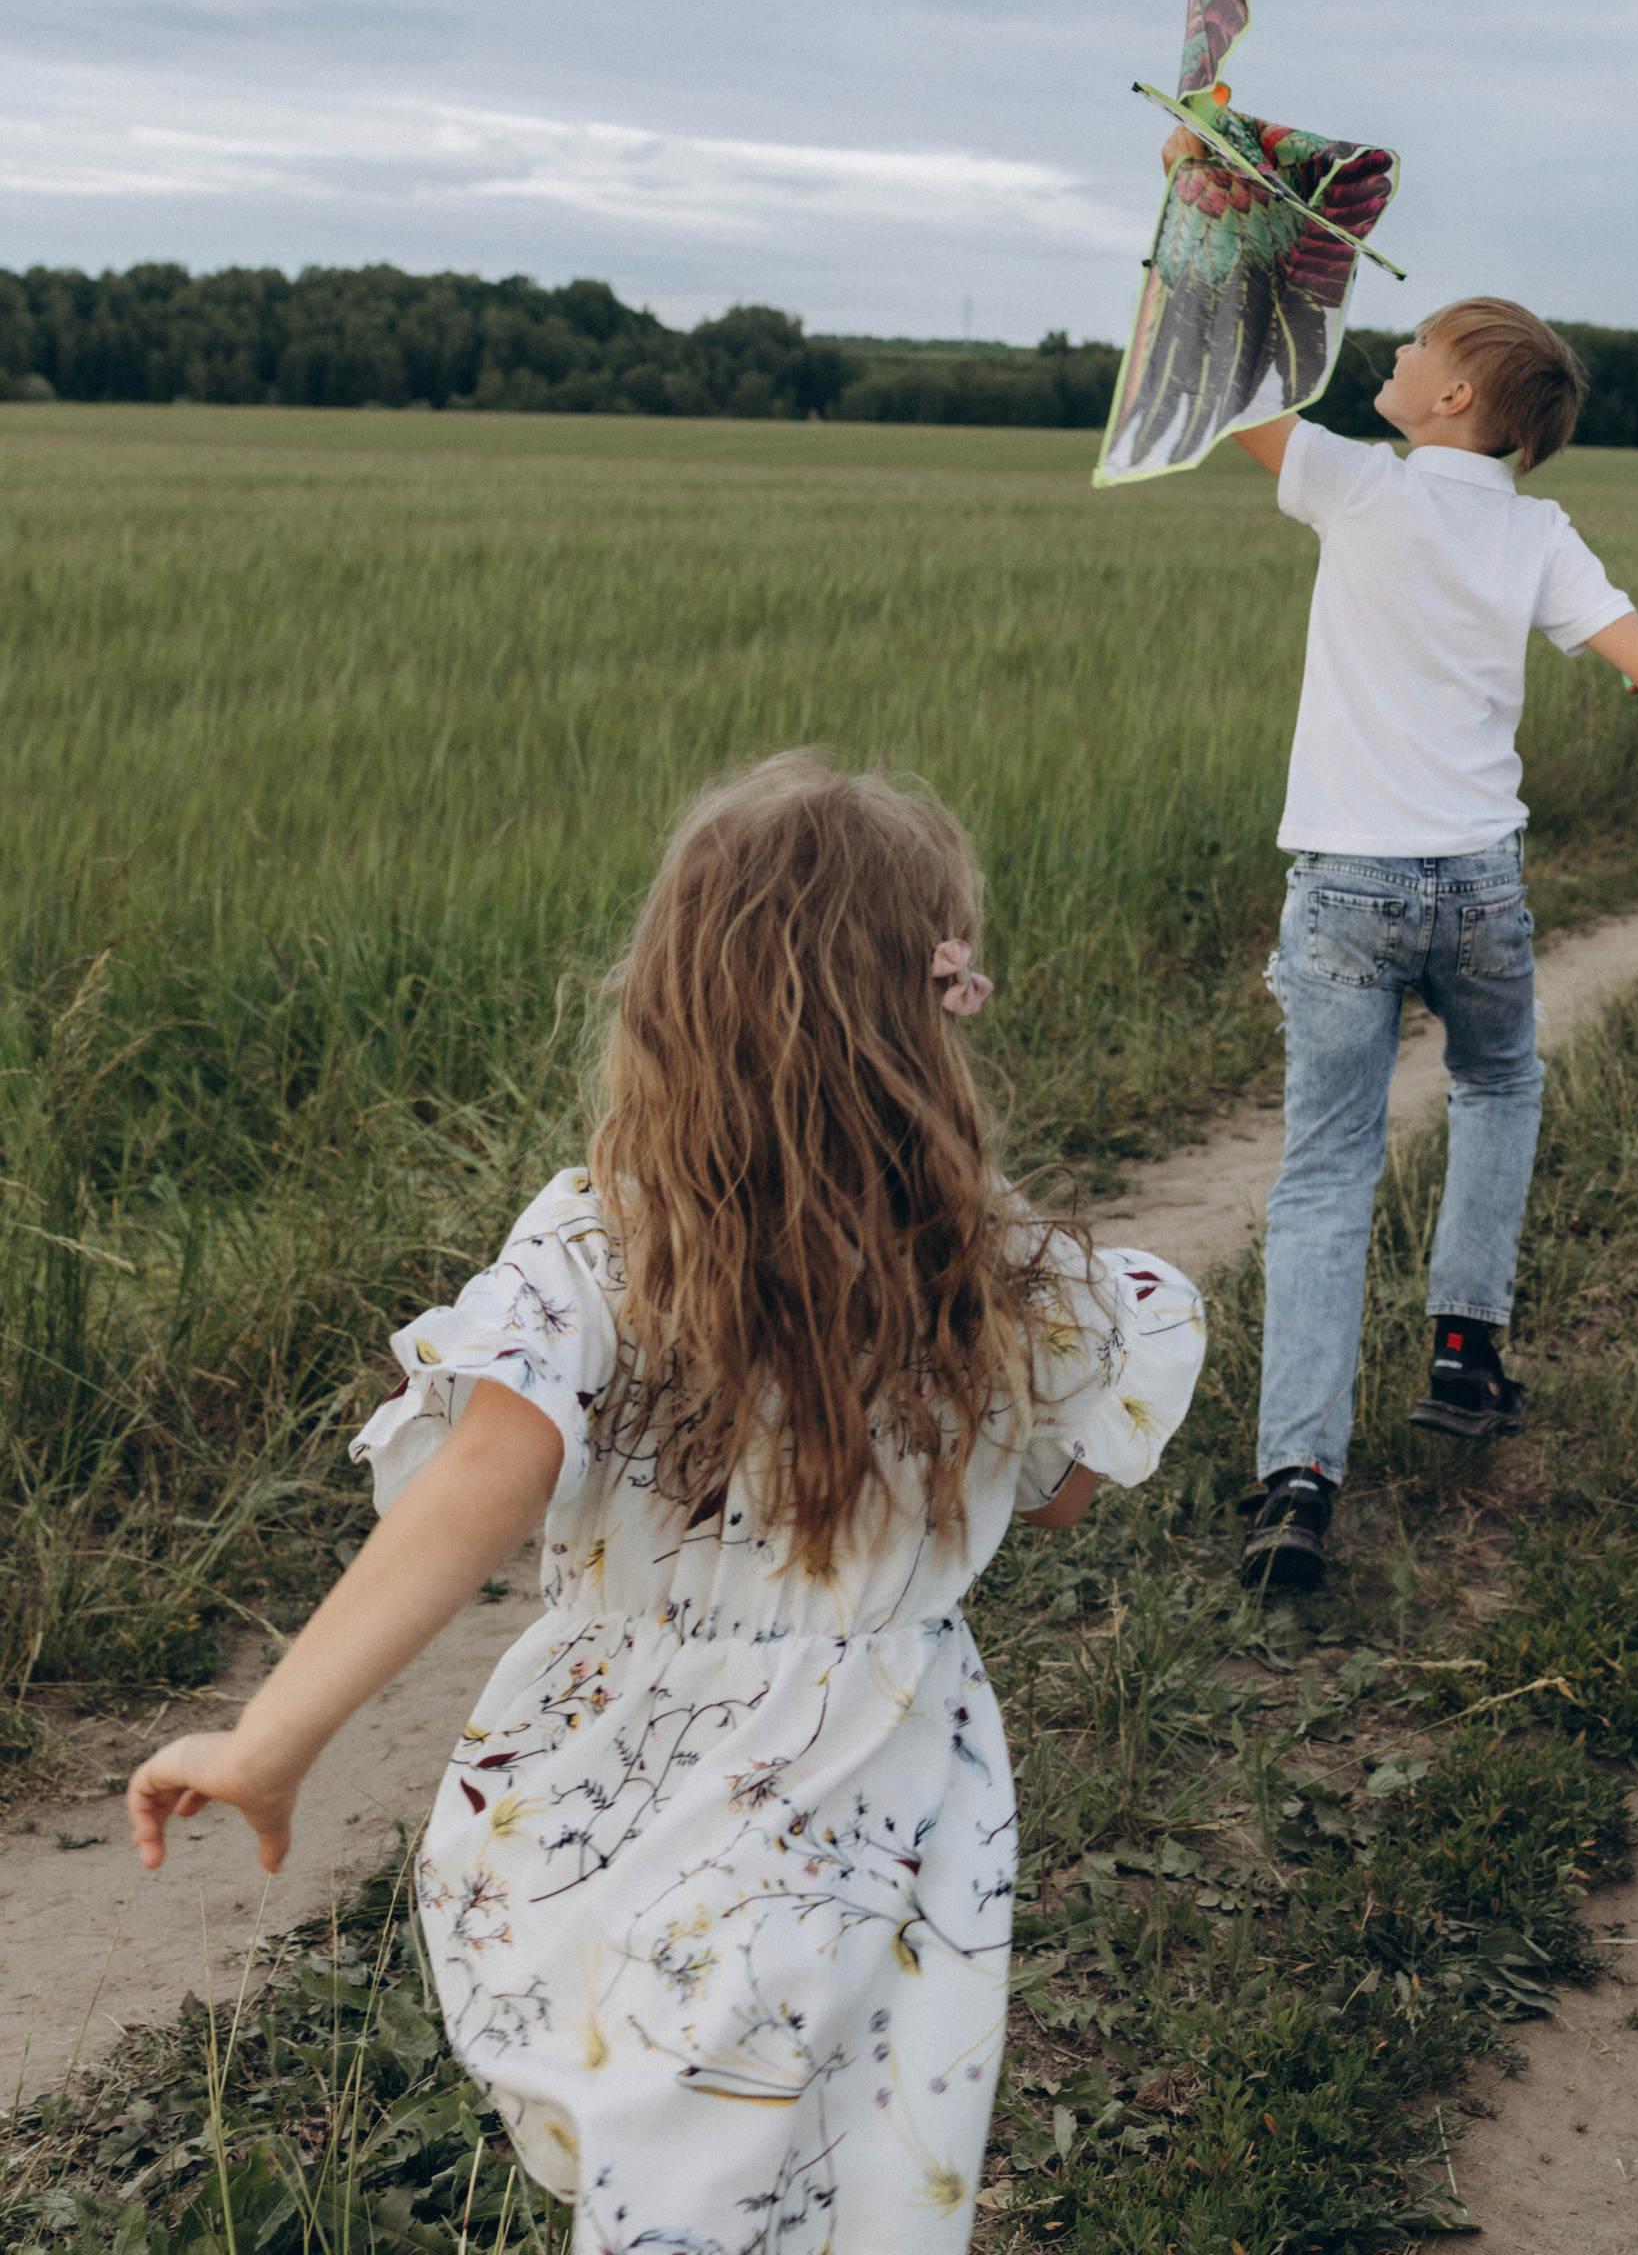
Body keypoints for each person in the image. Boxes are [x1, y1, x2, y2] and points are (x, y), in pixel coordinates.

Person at [127, 755, 1204, 2254]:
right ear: (932, 1009)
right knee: (860, 2154)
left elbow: (467, 1501)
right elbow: (1067, 1496)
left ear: (671, 1004)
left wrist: (272, 1736)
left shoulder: (600, 1252)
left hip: (624, 1773)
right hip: (889, 1785)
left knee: (674, 2161)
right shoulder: (990, 1265)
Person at [1191, 213, 1638, 1594]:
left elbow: (1225, 381)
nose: (1398, 350)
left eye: (1417, 343)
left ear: (1456, 395)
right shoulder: (1538, 534)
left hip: (1346, 885)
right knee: (1499, 1086)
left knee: (1325, 1176)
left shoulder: (1358, 487)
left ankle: (1297, 1481)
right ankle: (1466, 1354)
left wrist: (1216, 225)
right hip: (1476, 884)